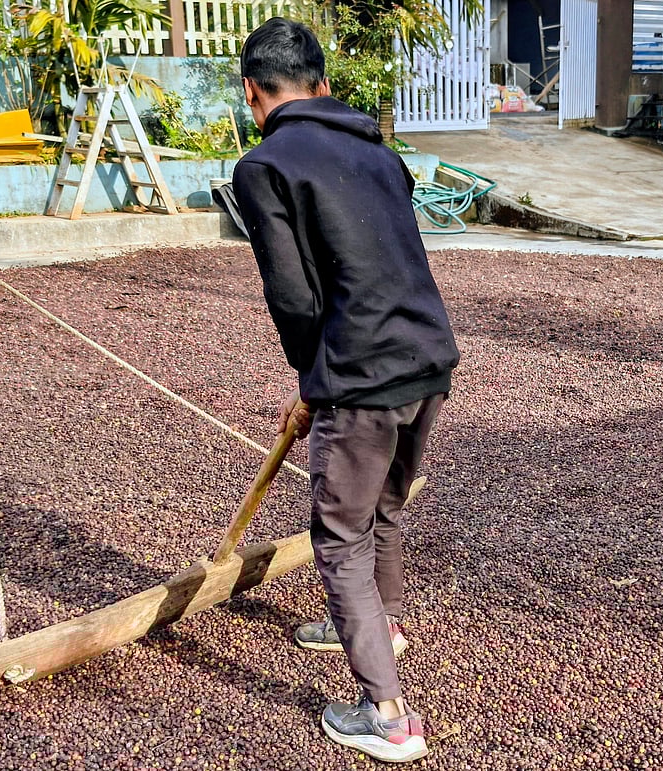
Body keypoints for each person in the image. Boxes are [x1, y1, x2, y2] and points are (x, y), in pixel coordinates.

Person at [232, 17, 460, 764]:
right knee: (384, 510)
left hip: (360, 376)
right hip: (427, 358)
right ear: (323, 85)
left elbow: (292, 295)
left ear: (253, 93)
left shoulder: (265, 164)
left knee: (339, 538)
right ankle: (374, 622)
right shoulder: (379, 152)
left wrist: (312, 384)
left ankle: (387, 714)